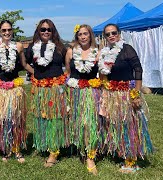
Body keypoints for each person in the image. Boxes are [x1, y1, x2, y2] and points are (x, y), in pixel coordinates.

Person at [98, 23, 153, 173]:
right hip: (112, 95)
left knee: (129, 125)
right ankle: (121, 152)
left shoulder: (127, 49)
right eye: (108, 34)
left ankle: (131, 160)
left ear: (119, 33)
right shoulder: (104, 52)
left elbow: (138, 70)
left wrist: (135, 94)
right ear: (105, 37)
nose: (111, 36)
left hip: (126, 94)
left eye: (113, 32)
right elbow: (103, 74)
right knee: (115, 124)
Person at [0, 20, 33, 163]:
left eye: (9, 30)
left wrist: (38, 75)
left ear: (12, 31)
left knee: (16, 118)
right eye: (4, 30)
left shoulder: (19, 46)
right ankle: (6, 149)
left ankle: (17, 149)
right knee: (2, 120)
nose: (7, 33)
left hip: (15, 88)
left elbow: (24, 64)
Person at [25, 19, 68, 167]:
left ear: (53, 31)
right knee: (41, 117)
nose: (46, 32)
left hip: (55, 89)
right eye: (43, 29)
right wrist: (35, 73)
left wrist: (62, 80)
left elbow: (68, 67)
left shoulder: (60, 47)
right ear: (38, 31)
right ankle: (46, 144)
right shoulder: (32, 47)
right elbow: (24, 63)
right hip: (39, 89)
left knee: (55, 118)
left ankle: (54, 151)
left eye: (49, 29)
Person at [65, 24, 100, 175]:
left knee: (89, 123)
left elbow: (103, 74)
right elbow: (67, 71)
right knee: (77, 123)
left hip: (91, 93)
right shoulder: (71, 51)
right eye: (80, 34)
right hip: (74, 92)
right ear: (77, 37)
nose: (83, 37)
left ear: (90, 35)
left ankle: (90, 156)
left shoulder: (97, 52)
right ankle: (79, 148)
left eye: (86, 34)